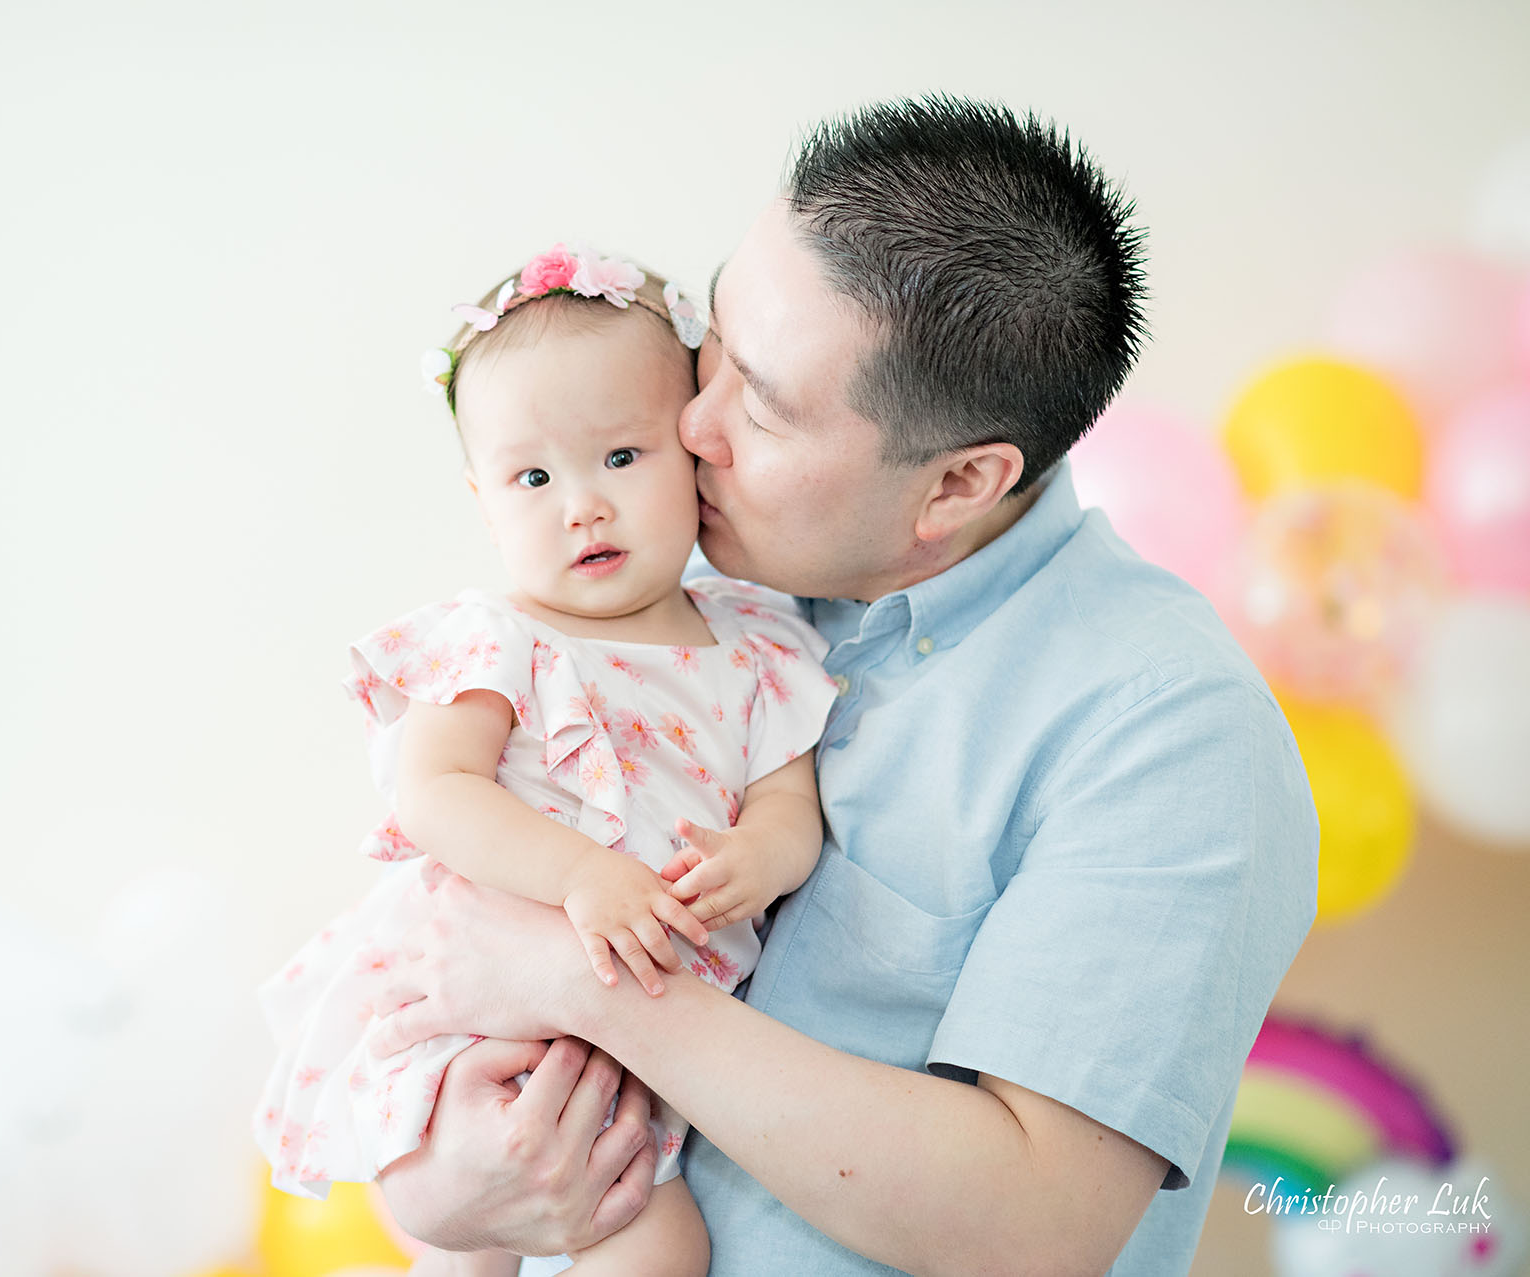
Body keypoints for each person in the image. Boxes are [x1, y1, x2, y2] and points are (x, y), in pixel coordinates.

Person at [366, 96, 1321, 1276]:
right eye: (715, 336)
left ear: (960, 484)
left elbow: (1035, 1223)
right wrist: (461, 1189)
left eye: (759, 405)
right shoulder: (706, 595)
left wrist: (594, 984)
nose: (691, 422)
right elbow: (442, 949)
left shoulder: (1165, 727)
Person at [253, 246, 839, 1276]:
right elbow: (436, 792)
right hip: (482, 1014)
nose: (583, 504)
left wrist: (766, 855)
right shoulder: (495, 639)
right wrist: (581, 873)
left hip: (653, 1036)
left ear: (694, 453)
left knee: (663, 1245)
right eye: (534, 476)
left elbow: (788, 798)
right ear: (485, 502)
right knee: (469, 1232)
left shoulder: (755, 645)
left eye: (622, 456)